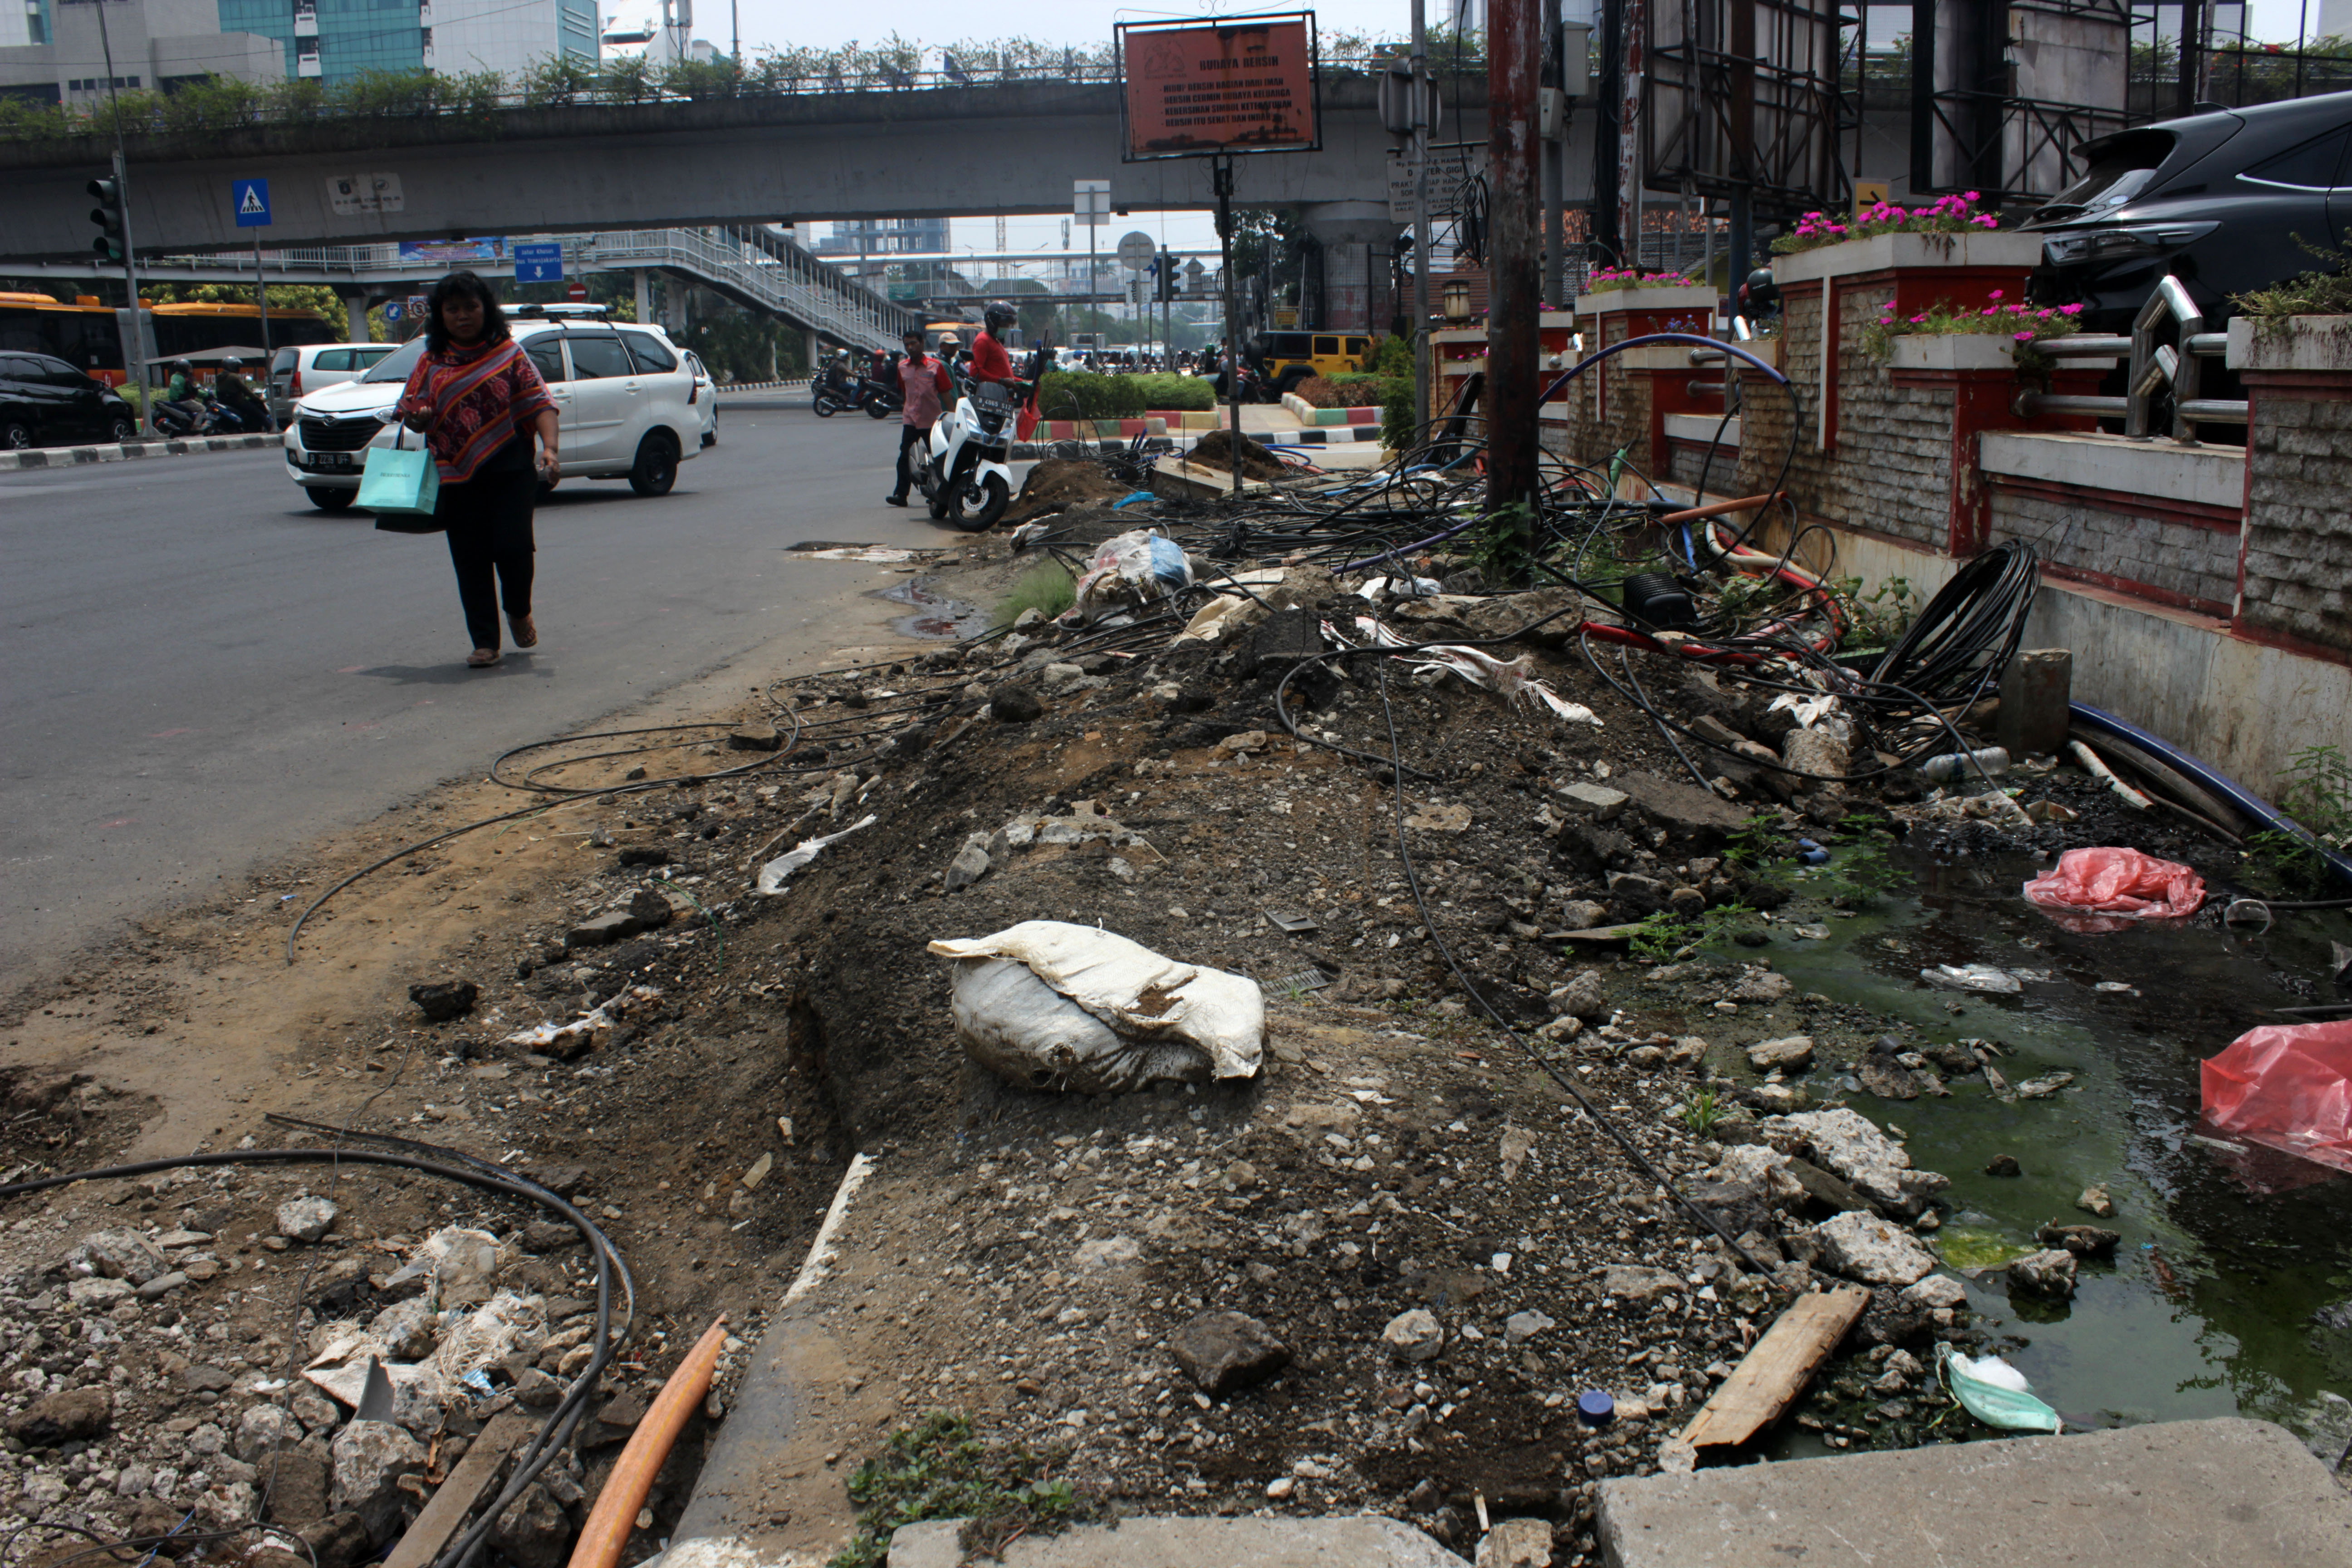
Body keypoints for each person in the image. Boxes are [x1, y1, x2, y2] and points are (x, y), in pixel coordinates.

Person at [394, 270, 560, 669]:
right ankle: (485, 642)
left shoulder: (509, 354)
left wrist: (550, 449)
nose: (463, 316)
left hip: (511, 469)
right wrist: (421, 417)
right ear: (441, 315)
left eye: (471, 306)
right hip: (456, 475)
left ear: (486, 310)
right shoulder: (430, 363)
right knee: (470, 559)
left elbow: (540, 402)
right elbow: (411, 413)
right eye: (453, 309)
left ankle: (519, 610)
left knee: (514, 547)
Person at [883, 328, 952, 508]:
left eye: (914, 343)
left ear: (922, 344)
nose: (911, 347)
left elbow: (945, 394)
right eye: (907, 345)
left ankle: (942, 493)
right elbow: (904, 391)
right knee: (904, 457)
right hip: (911, 420)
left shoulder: (935, 366)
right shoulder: (902, 367)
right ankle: (901, 494)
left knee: (938, 458)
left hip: (932, 421)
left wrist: (952, 417)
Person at [214, 357, 270, 432]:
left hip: (224, 402)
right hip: (238, 402)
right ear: (231, 366)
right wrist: (258, 399)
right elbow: (246, 391)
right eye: (237, 366)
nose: (238, 368)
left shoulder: (219, 377)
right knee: (259, 413)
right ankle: (271, 429)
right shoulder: (234, 377)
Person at [969, 303, 1018, 388]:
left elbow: (1007, 378)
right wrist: (1001, 381)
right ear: (993, 322)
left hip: (1002, 395)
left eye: (1008, 326)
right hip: (992, 396)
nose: (1006, 328)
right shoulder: (983, 340)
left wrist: (1023, 382)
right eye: (1005, 325)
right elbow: (975, 372)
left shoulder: (996, 341)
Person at [157, 359, 206, 430]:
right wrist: (206, 394)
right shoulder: (185, 379)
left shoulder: (173, 377)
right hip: (184, 401)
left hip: (173, 401)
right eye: (188, 367)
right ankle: (196, 426)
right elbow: (194, 391)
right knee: (202, 409)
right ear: (184, 368)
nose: (189, 369)